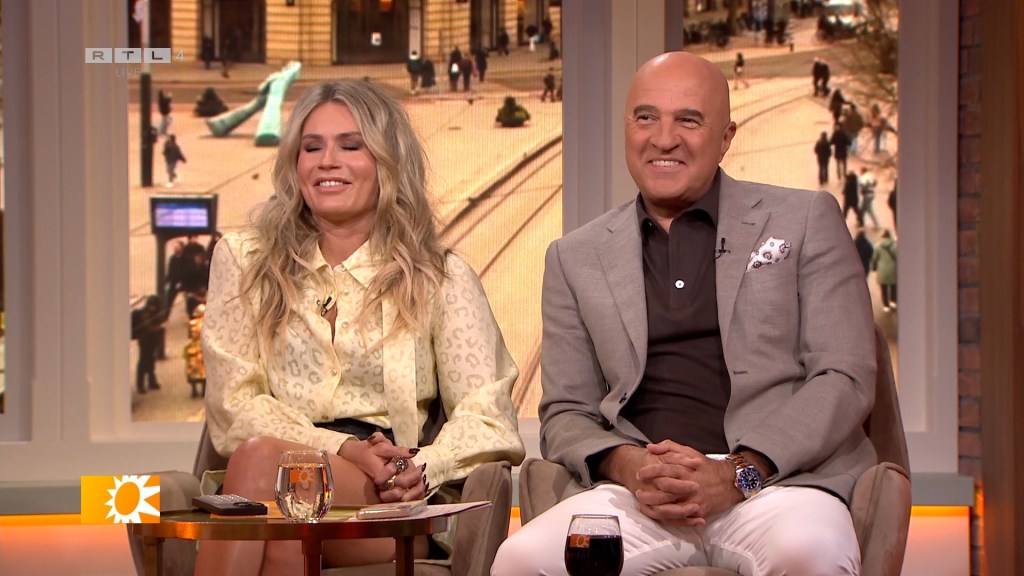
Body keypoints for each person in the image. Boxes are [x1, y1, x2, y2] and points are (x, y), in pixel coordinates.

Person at [492, 51, 875, 575]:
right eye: (645, 117)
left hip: (775, 483)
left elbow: (844, 375)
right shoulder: (574, 256)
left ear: (726, 137)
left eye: (688, 120)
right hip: (641, 494)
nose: (663, 138)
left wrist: (738, 474)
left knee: (810, 554)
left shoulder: (804, 219)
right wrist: (633, 468)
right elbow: (565, 412)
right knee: (521, 560)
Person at [195, 79, 525, 575]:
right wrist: (341, 449)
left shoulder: (439, 276)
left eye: (351, 146)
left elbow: (489, 415)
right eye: (312, 147)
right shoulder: (245, 261)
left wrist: (419, 468)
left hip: (387, 496)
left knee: (273, 480)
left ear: (388, 162)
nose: (327, 161)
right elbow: (233, 405)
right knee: (279, 485)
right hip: (268, 478)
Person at [131, 295, 167, 394]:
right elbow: (148, 327)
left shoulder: (155, 313)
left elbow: (160, 319)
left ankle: (152, 381)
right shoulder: (144, 313)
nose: (153, 308)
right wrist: (159, 327)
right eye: (151, 305)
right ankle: (140, 385)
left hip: (152, 341)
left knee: (151, 361)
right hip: (144, 341)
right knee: (143, 362)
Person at [871, 229, 898, 312]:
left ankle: (886, 305)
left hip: (882, 269)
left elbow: (874, 258)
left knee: (884, 288)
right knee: (893, 285)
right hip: (893, 268)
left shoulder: (877, 246)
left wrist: (874, 267)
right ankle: (893, 301)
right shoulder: (895, 245)